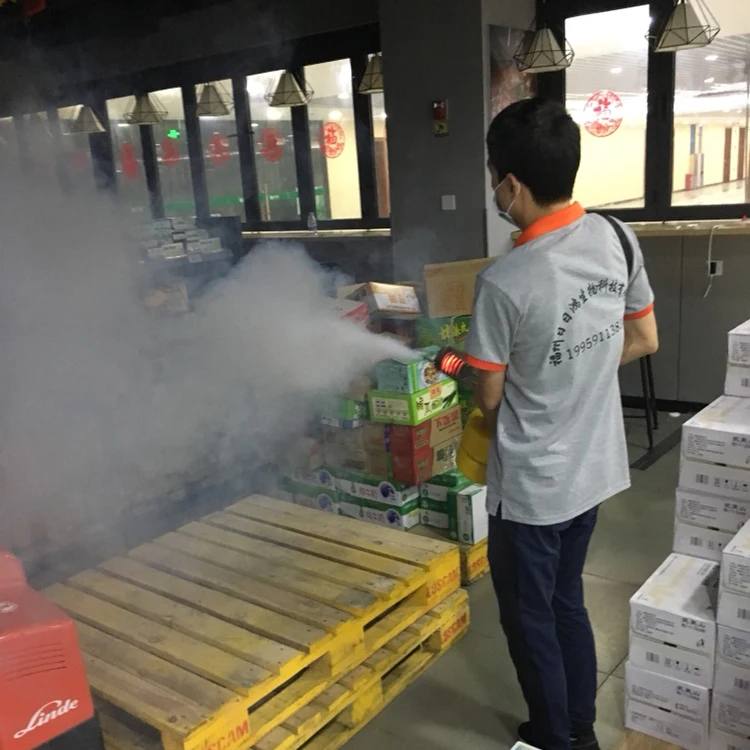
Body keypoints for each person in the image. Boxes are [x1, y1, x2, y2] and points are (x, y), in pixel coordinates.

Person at [464, 97, 659, 750]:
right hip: (593, 468)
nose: (495, 190)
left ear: (511, 185)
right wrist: (577, 372)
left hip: (532, 489)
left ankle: (555, 739)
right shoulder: (617, 237)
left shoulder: (504, 282)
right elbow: (644, 338)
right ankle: (578, 729)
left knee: (529, 619)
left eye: (494, 178)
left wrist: (535, 380)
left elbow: (489, 398)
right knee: (566, 601)